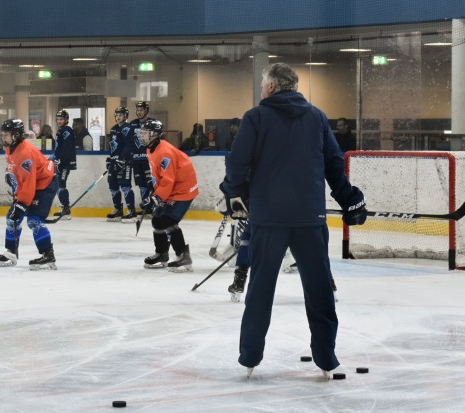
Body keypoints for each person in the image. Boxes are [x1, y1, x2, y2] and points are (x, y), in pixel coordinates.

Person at [220, 63, 367, 379]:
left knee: (260, 288)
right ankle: (326, 358)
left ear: (271, 87)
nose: (261, 90)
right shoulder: (316, 117)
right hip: (309, 218)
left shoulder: (255, 118)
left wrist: (235, 193)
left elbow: (237, 163)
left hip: (268, 219)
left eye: (262, 84)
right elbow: (333, 163)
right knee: (319, 290)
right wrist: (350, 198)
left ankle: (250, 356)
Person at [0, 119, 59, 270]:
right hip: (33, 183)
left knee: (34, 220)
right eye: (2, 134)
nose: (3, 138)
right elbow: (15, 168)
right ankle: (12, 251)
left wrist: (22, 204)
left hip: (45, 183)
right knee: (12, 218)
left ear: (16, 135)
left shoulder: (25, 153)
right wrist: (10, 173)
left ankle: (48, 255)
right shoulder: (10, 147)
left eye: (6, 135)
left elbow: (29, 184)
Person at [140, 120, 199, 272]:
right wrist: (153, 191)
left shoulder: (165, 152)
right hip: (172, 189)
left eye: (146, 132)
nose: (143, 135)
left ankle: (182, 257)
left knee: (167, 220)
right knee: (157, 219)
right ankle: (161, 254)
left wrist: (156, 198)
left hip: (183, 190)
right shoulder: (151, 149)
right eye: (142, 132)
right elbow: (160, 176)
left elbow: (168, 180)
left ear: (155, 135)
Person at [106, 107, 136, 222]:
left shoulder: (127, 128)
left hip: (125, 162)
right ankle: (118, 210)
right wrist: (111, 158)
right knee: (113, 186)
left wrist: (122, 159)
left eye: (121, 115)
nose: (118, 117)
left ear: (126, 116)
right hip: (115, 161)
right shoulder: (114, 129)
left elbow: (129, 146)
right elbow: (113, 146)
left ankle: (131, 211)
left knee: (125, 186)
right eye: (117, 114)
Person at [129, 101, 155, 214]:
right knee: (142, 185)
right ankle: (146, 207)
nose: (139, 112)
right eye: (137, 110)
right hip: (136, 160)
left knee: (151, 184)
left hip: (148, 160)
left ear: (146, 111)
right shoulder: (132, 124)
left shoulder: (152, 123)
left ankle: (153, 207)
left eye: (141, 110)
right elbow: (129, 142)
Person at [51, 109, 76, 219]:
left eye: (61, 119)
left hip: (65, 164)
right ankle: (65, 208)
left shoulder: (67, 130)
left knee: (61, 185)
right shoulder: (60, 131)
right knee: (58, 185)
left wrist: (60, 159)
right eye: (57, 119)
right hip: (60, 162)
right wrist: (53, 157)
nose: (59, 121)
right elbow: (59, 148)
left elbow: (67, 148)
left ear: (66, 120)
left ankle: (66, 209)